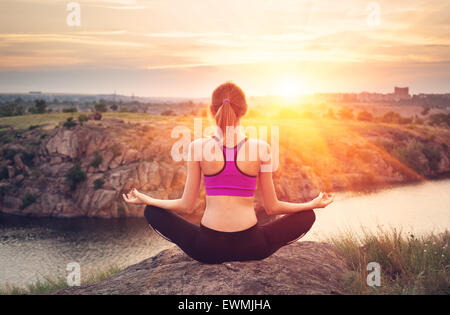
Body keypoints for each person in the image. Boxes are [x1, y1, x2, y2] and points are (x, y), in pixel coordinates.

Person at [123, 82, 334, 264]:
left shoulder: (197, 147)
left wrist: (147, 199)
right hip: (252, 247)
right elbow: (272, 207)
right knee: (307, 216)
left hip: (207, 249)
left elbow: (186, 205)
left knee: (152, 212)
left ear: (212, 110)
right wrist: (311, 205)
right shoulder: (262, 148)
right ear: (244, 110)